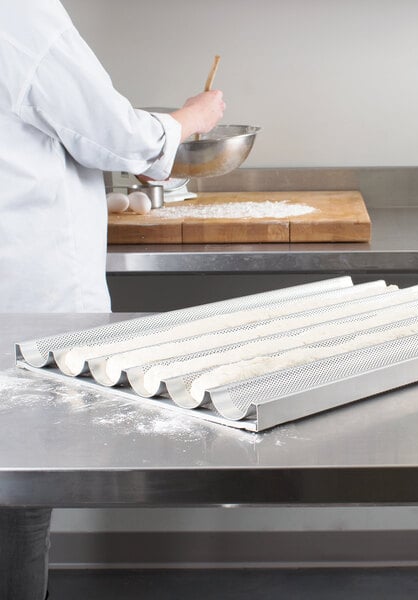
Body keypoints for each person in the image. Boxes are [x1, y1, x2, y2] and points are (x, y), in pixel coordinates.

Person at [0, 0, 225, 597]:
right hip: (21, 297)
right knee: (16, 497)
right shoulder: (20, 15)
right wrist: (186, 121)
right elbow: (115, 136)